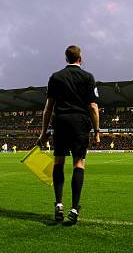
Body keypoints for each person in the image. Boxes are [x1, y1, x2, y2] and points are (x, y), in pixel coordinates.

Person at [38, 45, 100, 224]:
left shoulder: (56, 77)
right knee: (79, 163)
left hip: (61, 122)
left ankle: (58, 204)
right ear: (80, 59)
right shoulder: (88, 77)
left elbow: (48, 107)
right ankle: (74, 208)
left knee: (58, 161)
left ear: (66, 59)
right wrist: (97, 132)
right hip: (80, 123)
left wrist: (43, 134)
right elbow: (93, 107)